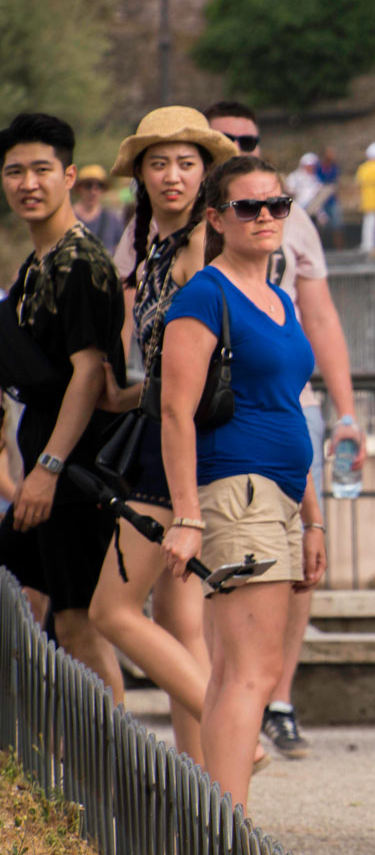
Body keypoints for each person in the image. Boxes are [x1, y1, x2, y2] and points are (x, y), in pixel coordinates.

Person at [159, 154, 326, 813]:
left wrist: (311, 518)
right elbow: (175, 410)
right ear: (215, 218)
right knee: (249, 675)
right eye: (246, 207)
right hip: (234, 492)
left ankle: (220, 822)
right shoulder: (206, 293)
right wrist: (185, 514)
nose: (264, 218)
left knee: (235, 672)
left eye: (276, 205)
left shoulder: (280, 296)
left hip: (282, 494)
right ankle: (227, 829)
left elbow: (289, 408)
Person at [204, 99, 365, 761]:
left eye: (248, 139)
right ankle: (228, 765)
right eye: (223, 141)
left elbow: (321, 317)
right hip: (230, 439)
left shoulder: (283, 241)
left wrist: (347, 413)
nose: (265, 215)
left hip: (285, 421)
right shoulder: (190, 235)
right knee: (237, 628)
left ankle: (278, 700)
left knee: (295, 576)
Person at [96, 106, 238, 763]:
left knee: (111, 610)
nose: (172, 175)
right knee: (181, 620)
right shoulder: (158, 244)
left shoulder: (198, 251)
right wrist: (125, 391)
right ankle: (205, 784)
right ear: (141, 176)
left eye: (186, 163)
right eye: (158, 164)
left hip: (180, 439)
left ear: (206, 173)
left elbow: (198, 365)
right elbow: (163, 361)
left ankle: (233, 731)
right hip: (169, 427)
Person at [0, 113, 126, 695]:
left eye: (41, 170)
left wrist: (48, 470)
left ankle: (119, 781)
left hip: (75, 467)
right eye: (15, 171)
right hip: (47, 463)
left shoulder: (82, 265)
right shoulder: (36, 268)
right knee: (28, 604)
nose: (29, 183)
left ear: (70, 176)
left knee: (80, 625)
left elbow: (88, 375)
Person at [72, 163, 124, 250]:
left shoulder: (112, 219)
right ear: (79, 188)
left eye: (99, 186)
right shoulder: (67, 218)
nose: (93, 192)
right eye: (88, 186)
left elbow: (120, 250)